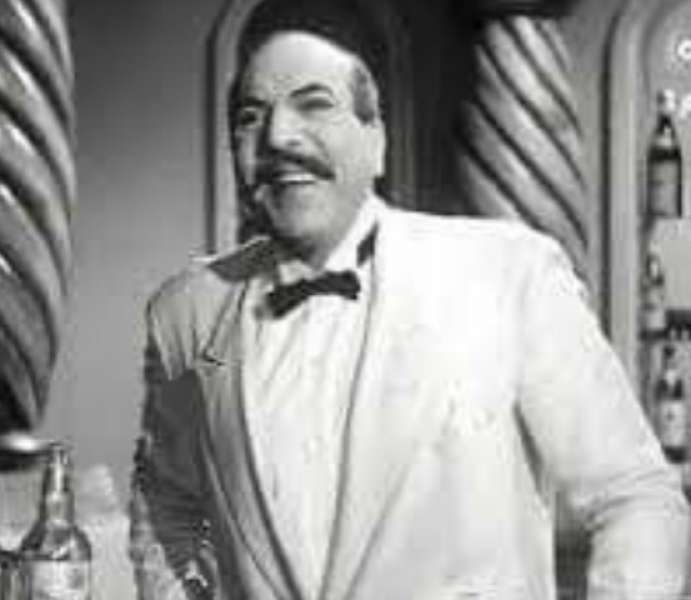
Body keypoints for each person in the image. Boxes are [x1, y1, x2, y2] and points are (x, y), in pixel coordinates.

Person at [129, 5, 689, 599]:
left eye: (314, 105)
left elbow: (633, 495)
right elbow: (165, 506)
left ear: (377, 142)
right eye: (250, 116)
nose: (278, 137)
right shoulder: (188, 311)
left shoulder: (507, 273)